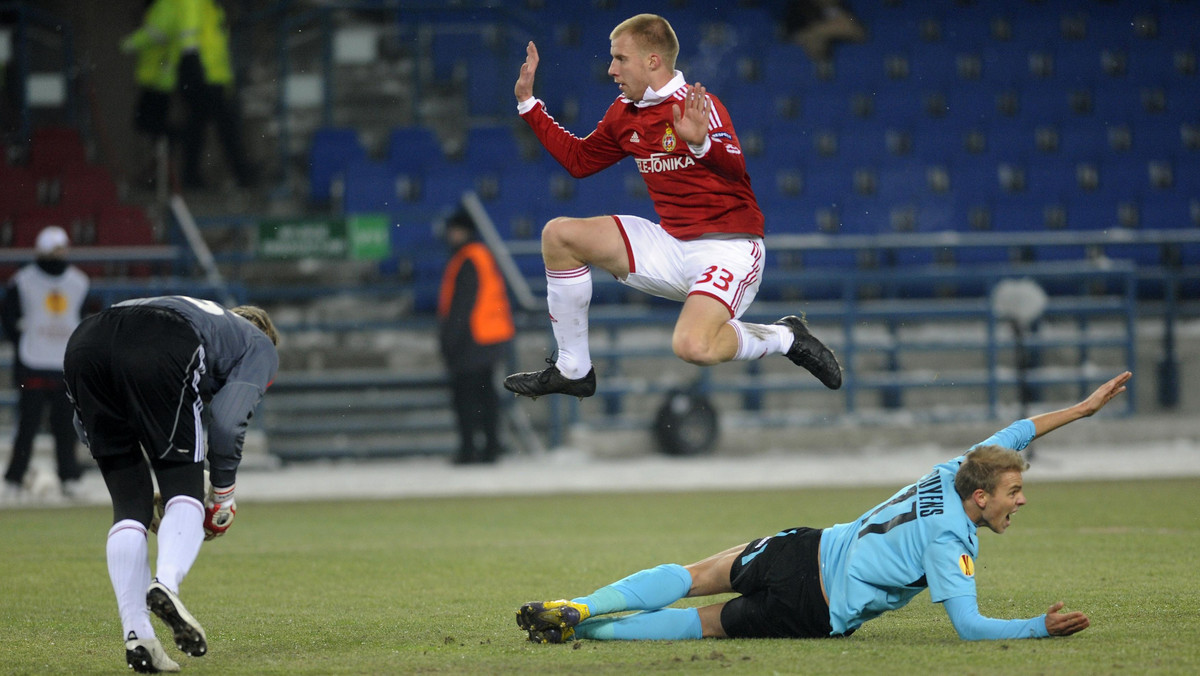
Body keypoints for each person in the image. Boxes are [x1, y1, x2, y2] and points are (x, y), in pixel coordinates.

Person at [516, 371, 1131, 644]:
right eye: (1014, 493)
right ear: (981, 496)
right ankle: (590, 634)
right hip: (817, 607)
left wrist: (1080, 410)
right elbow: (969, 628)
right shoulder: (952, 541)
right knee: (705, 624)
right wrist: (1036, 629)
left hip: (806, 546)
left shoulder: (955, 468)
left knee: (694, 575)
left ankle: (580, 607)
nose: (1020, 501)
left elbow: (1017, 432)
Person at [503, 14, 842, 401]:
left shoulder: (699, 105)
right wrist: (529, 105)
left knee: (693, 348)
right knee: (558, 235)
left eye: (620, 59)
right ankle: (573, 369)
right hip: (669, 244)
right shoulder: (623, 112)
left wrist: (701, 145)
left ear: (652, 61)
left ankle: (785, 336)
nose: (611, 69)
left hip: (728, 250)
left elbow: (735, 168)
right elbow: (580, 161)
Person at [63, 296, 278, 673]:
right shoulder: (257, 344)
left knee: (131, 506)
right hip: (162, 342)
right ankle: (166, 584)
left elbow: (86, 425)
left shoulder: (196, 311)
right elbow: (227, 423)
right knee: (185, 491)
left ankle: (138, 637)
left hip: (85, 342)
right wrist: (222, 495)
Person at [2, 226, 89, 501]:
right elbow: (9, 320)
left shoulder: (79, 281)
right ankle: (14, 479)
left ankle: (69, 477)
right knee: (28, 425)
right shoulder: (23, 281)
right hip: (33, 362)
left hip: (63, 362)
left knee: (66, 425)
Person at [437, 209, 516, 464]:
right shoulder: (480, 255)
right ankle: (491, 446)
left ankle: (471, 449)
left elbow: (461, 306)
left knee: (467, 398)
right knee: (485, 396)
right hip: (489, 336)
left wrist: (449, 340)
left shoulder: (467, 259)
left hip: (473, 339)